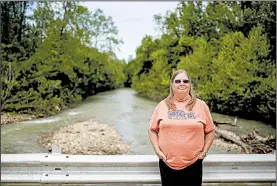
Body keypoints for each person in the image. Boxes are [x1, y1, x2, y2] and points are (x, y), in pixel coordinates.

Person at [148, 69, 215, 186]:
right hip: (167, 163)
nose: (182, 83)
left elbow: (210, 131)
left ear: (190, 85)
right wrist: (157, 151)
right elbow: (152, 130)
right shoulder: (162, 105)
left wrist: (204, 152)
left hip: (194, 163)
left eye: (185, 81)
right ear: (172, 84)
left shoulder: (201, 105)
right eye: (177, 81)